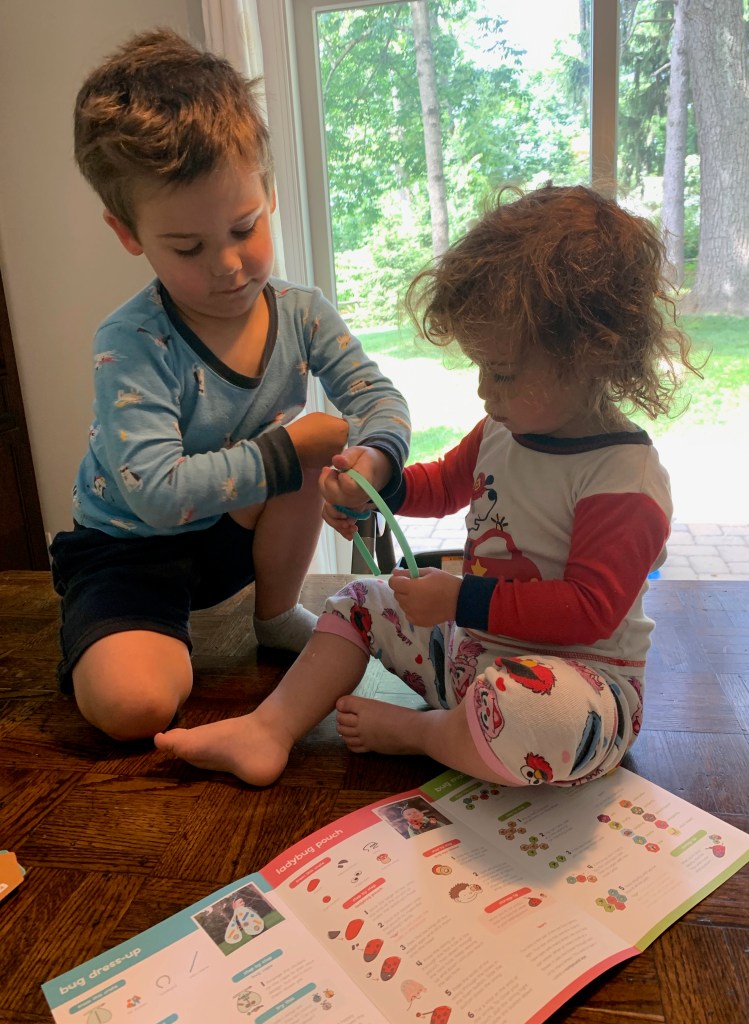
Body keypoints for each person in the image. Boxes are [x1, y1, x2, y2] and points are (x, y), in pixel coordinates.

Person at [155, 182, 701, 789]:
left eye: (502, 372)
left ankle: (425, 734)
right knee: (359, 600)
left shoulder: (624, 479)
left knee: (529, 708)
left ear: (592, 357)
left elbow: (588, 611)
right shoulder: (503, 428)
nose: (484, 391)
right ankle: (270, 728)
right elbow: (442, 484)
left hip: (578, 688)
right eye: (481, 368)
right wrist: (376, 488)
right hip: (472, 655)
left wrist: (460, 599)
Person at [49, 29, 410, 742]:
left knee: (321, 441)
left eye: (244, 228)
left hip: (231, 536)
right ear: (128, 233)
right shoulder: (130, 342)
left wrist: (372, 458)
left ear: (269, 192)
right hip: (129, 552)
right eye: (187, 247)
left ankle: (274, 617)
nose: (227, 265)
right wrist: (288, 450)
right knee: (134, 708)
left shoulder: (302, 312)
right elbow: (156, 493)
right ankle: (120, 631)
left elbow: (378, 399)